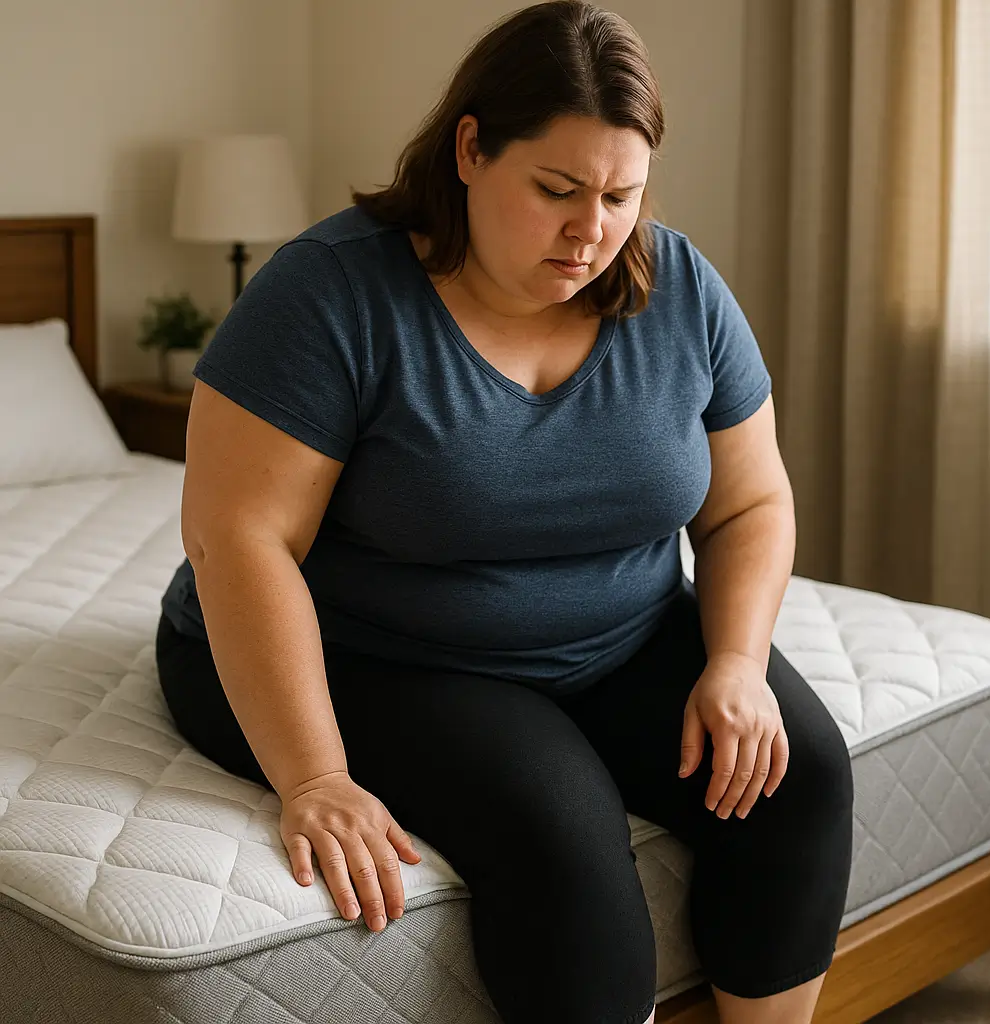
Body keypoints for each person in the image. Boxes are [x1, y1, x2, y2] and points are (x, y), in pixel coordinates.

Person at [155, 3, 854, 1022]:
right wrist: (314, 777)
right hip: (374, 647)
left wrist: (735, 663)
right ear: (471, 149)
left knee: (796, 774)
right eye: (557, 190)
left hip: (615, 630)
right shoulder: (329, 294)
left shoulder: (679, 286)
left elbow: (749, 501)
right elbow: (240, 540)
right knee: (560, 831)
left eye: (621, 194)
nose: (593, 230)